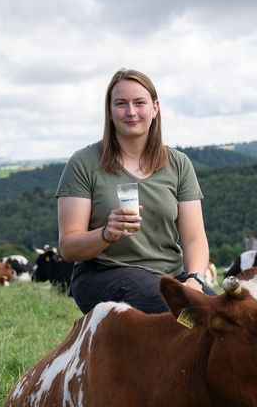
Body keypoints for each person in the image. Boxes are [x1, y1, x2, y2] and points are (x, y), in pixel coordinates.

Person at [56, 68, 214, 314]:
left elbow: (194, 238)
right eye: (121, 104)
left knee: (231, 318)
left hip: (172, 276)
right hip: (103, 273)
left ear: (155, 107)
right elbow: (68, 247)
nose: (131, 112)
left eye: (139, 103)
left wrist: (194, 280)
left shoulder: (178, 163)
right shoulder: (84, 163)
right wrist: (106, 233)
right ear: (109, 111)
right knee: (186, 311)